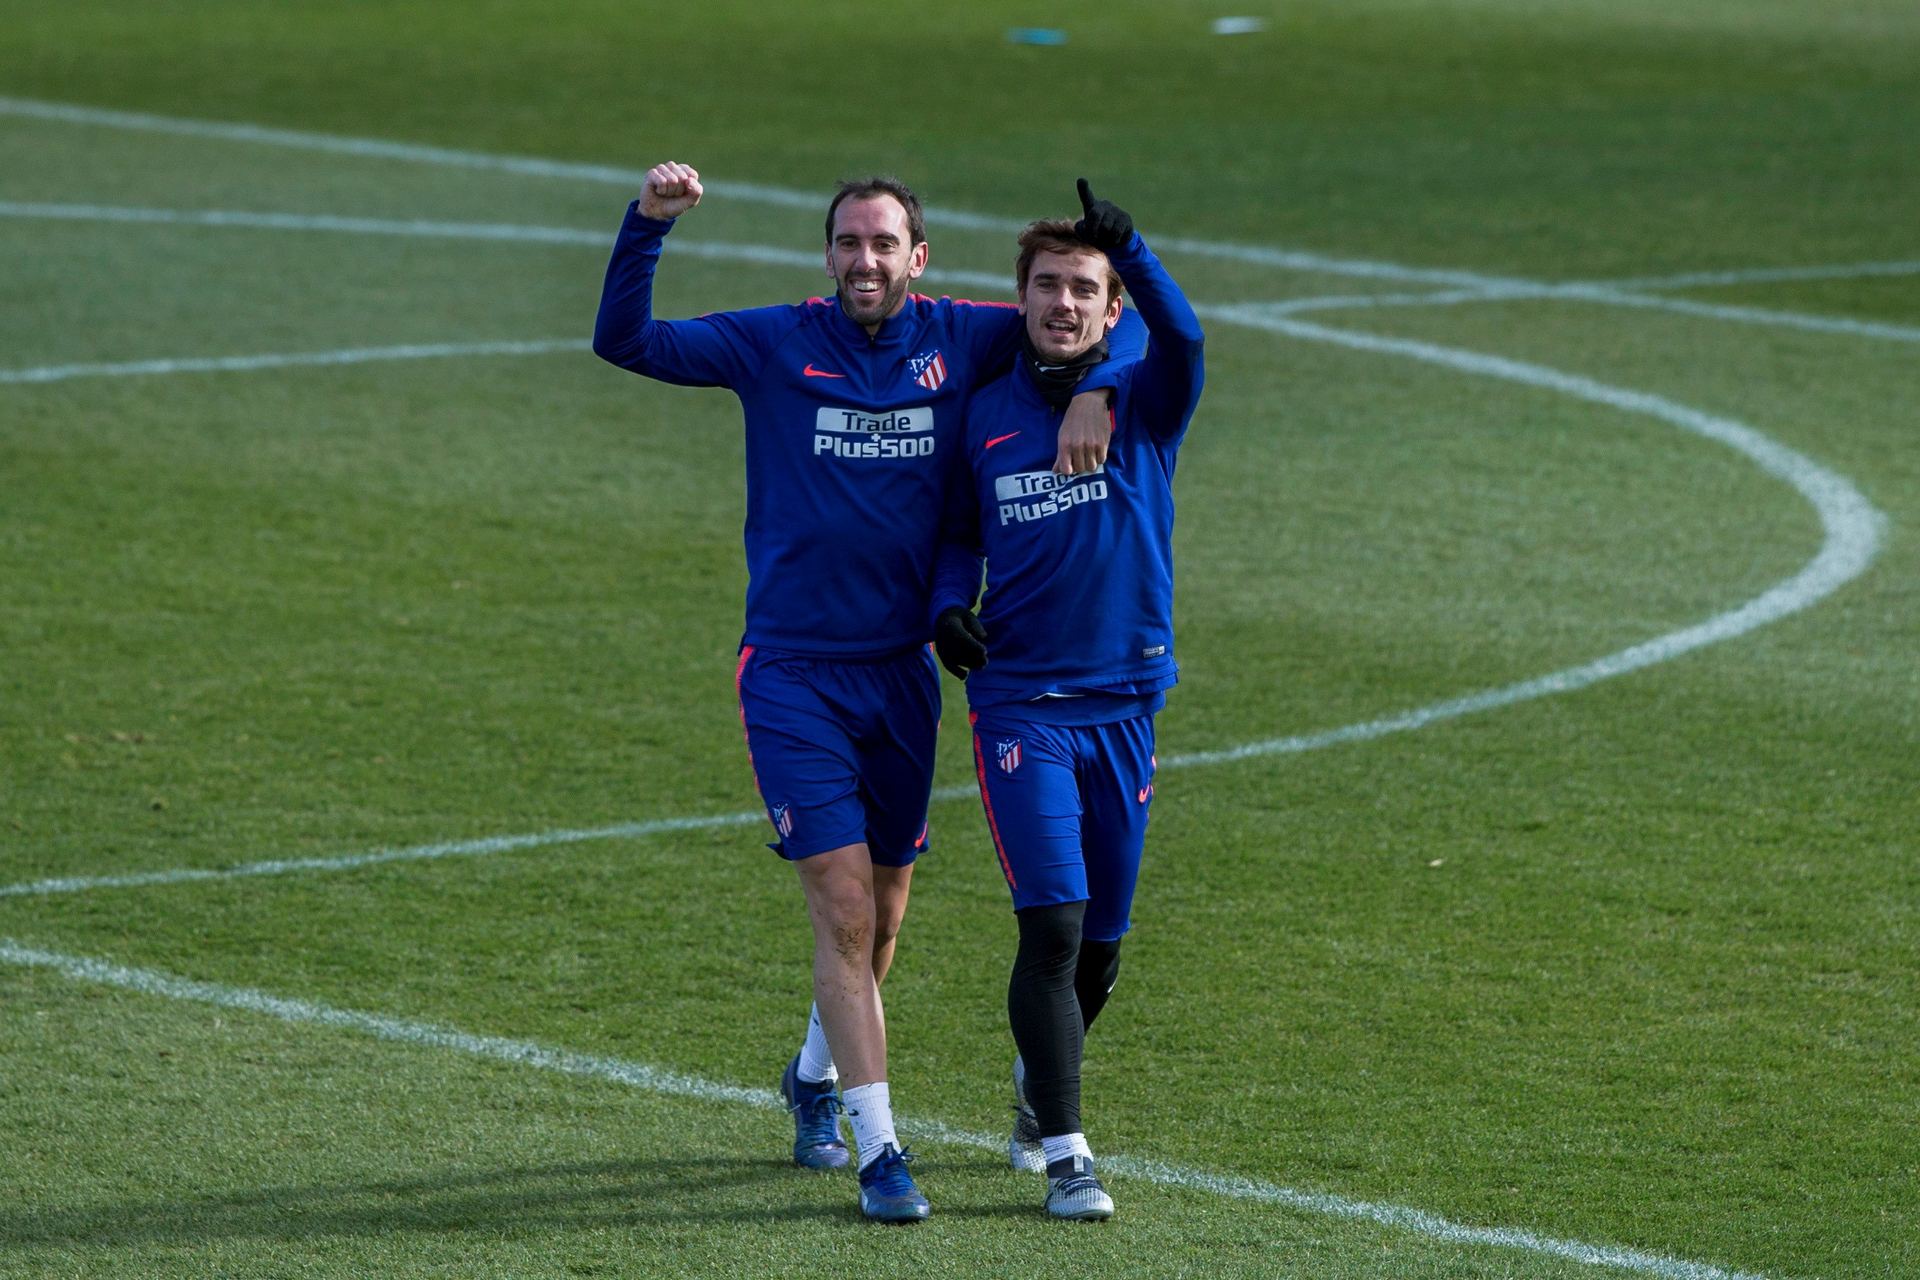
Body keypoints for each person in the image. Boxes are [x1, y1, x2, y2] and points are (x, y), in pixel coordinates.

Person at [591, 163, 1140, 1223]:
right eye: (848, 242)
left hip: (901, 675)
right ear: (828, 254)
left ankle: (810, 1075)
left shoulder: (966, 337)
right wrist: (647, 225)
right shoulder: (773, 342)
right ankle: (883, 1150)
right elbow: (629, 342)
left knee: (883, 917)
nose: (865, 261)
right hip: (793, 671)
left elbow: (1105, 322)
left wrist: (1102, 387)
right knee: (842, 910)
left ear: (917, 257)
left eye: (884, 244)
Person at [928, 181, 1205, 1221]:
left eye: (1086, 288)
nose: (1064, 302)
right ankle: (1068, 1155)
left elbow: (1186, 335)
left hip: (1125, 703)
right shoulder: (987, 416)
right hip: (1021, 708)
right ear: (1023, 297)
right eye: (1047, 285)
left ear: (1111, 305)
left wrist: (1134, 249)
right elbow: (958, 532)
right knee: (1051, 925)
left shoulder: (1147, 401)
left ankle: (1035, 1089)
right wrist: (949, 606)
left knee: (1102, 950)